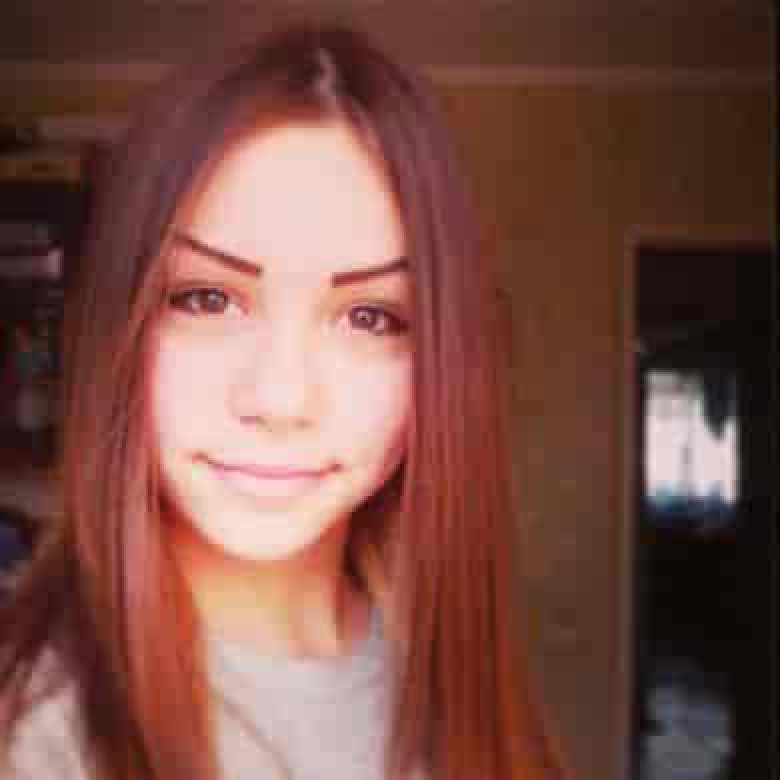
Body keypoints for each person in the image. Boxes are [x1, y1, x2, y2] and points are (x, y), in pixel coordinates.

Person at [0, 23, 565, 780]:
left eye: (369, 317)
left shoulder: (461, 686)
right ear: (117, 323)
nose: (281, 398)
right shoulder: (33, 735)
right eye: (207, 299)